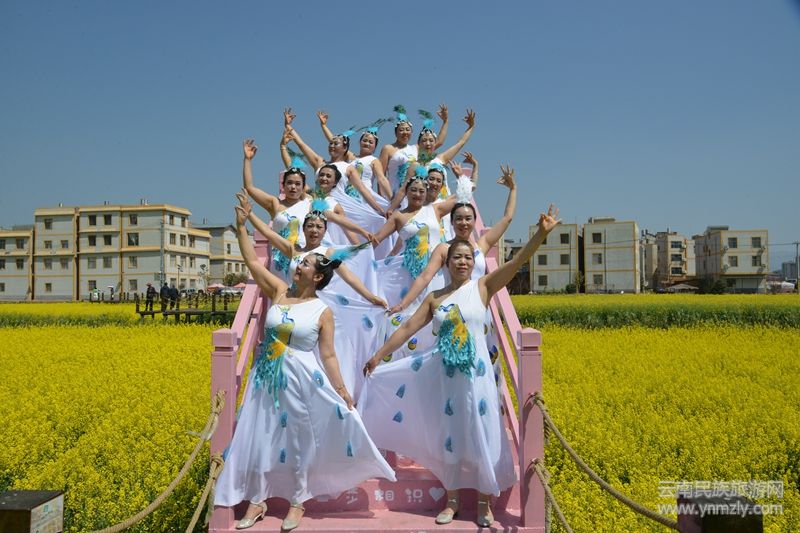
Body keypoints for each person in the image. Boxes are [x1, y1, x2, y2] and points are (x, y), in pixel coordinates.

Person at [360, 203, 560, 527]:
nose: (463, 262)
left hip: (478, 377)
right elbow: (408, 327)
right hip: (446, 377)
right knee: (450, 436)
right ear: (447, 262)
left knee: (482, 433)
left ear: (473, 261)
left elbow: (517, 262)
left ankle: (484, 502)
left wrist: (539, 235)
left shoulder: (483, 288)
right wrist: (378, 355)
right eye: (457, 257)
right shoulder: (435, 298)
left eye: (467, 257)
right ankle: (451, 501)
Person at [215, 197, 396, 531]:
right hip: (266, 378)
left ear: (318, 277)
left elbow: (328, 355)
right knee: (262, 436)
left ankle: (298, 500)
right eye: (300, 263)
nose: (298, 266)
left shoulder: (322, 312)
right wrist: (241, 225)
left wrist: (341, 389)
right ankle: (257, 498)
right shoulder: (279, 291)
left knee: (299, 441)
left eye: (307, 265)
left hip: (301, 381)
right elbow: (252, 263)